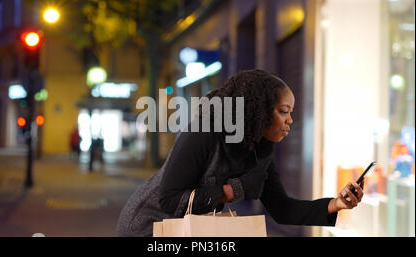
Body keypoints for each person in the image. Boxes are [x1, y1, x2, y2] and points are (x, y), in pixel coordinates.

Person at [116, 70, 364, 237]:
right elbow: (168, 198)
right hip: (150, 226)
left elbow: (282, 209)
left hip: (191, 229)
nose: (290, 120)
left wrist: (336, 204)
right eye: (283, 111)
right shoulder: (205, 132)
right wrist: (232, 191)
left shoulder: (259, 150)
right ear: (259, 111)